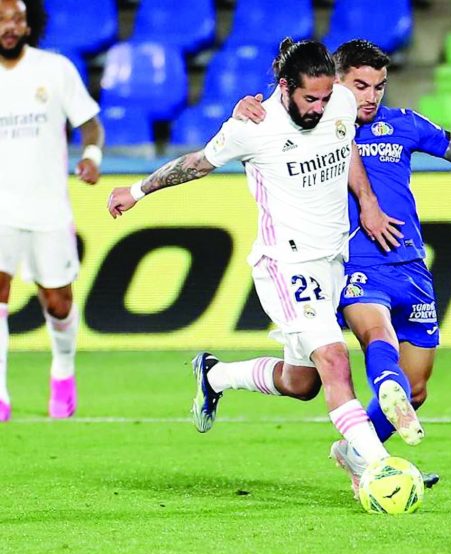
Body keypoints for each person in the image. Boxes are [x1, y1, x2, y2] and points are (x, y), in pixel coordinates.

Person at [231, 39, 451, 487]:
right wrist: (246, 106)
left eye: (379, 87)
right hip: (352, 262)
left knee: (407, 387)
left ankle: (354, 450)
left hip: (410, 264)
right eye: (360, 86)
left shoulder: (405, 125)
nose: (370, 97)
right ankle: (377, 463)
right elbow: (273, 112)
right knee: (376, 339)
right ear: (336, 83)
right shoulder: (316, 124)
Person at [106, 39, 408, 494]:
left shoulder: (340, 103)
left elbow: (347, 149)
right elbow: (195, 163)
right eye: (310, 99)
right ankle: (382, 468)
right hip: (286, 264)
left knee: (302, 382)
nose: (319, 107)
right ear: (285, 87)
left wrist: (366, 199)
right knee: (334, 359)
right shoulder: (253, 126)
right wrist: (138, 191)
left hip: (332, 262)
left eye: (326, 98)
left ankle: (214, 375)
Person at [0, 0, 104, 422]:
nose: (9, 27)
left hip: (48, 207)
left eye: (16, 20)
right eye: (2, 19)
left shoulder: (54, 69)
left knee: (58, 302)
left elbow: (89, 122)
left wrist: (92, 155)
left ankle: (63, 372)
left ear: (28, 25)